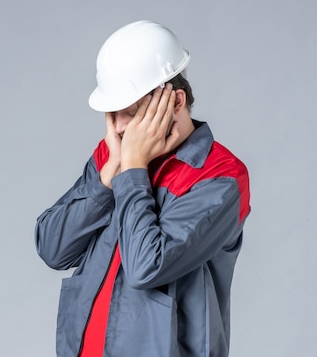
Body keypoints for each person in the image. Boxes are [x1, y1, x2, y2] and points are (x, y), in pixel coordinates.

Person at [35, 20, 250, 357]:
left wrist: (133, 170)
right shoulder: (113, 158)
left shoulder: (219, 177)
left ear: (176, 102)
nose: (118, 128)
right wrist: (107, 180)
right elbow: (52, 248)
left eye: (130, 113)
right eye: (112, 113)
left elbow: (146, 267)